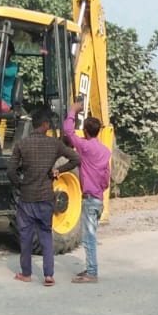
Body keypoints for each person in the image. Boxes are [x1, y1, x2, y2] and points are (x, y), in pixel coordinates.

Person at [8, 106, 79, 286]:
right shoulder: (54, 144)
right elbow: (76, 159)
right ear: (46, 125)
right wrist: (58, 170)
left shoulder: (21, 144)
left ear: (33, 125)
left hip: (27, 199)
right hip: (46, 198)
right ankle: (48, 275)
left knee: (25, 237)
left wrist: (20, 184)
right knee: (46, 236)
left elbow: (10, 171)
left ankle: (26, 273)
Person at [62, 99, 112, 283]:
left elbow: (67, 131)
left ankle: (92, 273)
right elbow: (106, 177)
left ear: (85, 130)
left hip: (90, 199)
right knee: (91, 236)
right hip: (99, 199)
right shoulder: (105, 151)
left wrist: (72, 111)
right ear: (98, 131)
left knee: (89, 239)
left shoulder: (84, 147)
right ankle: (89, 269)